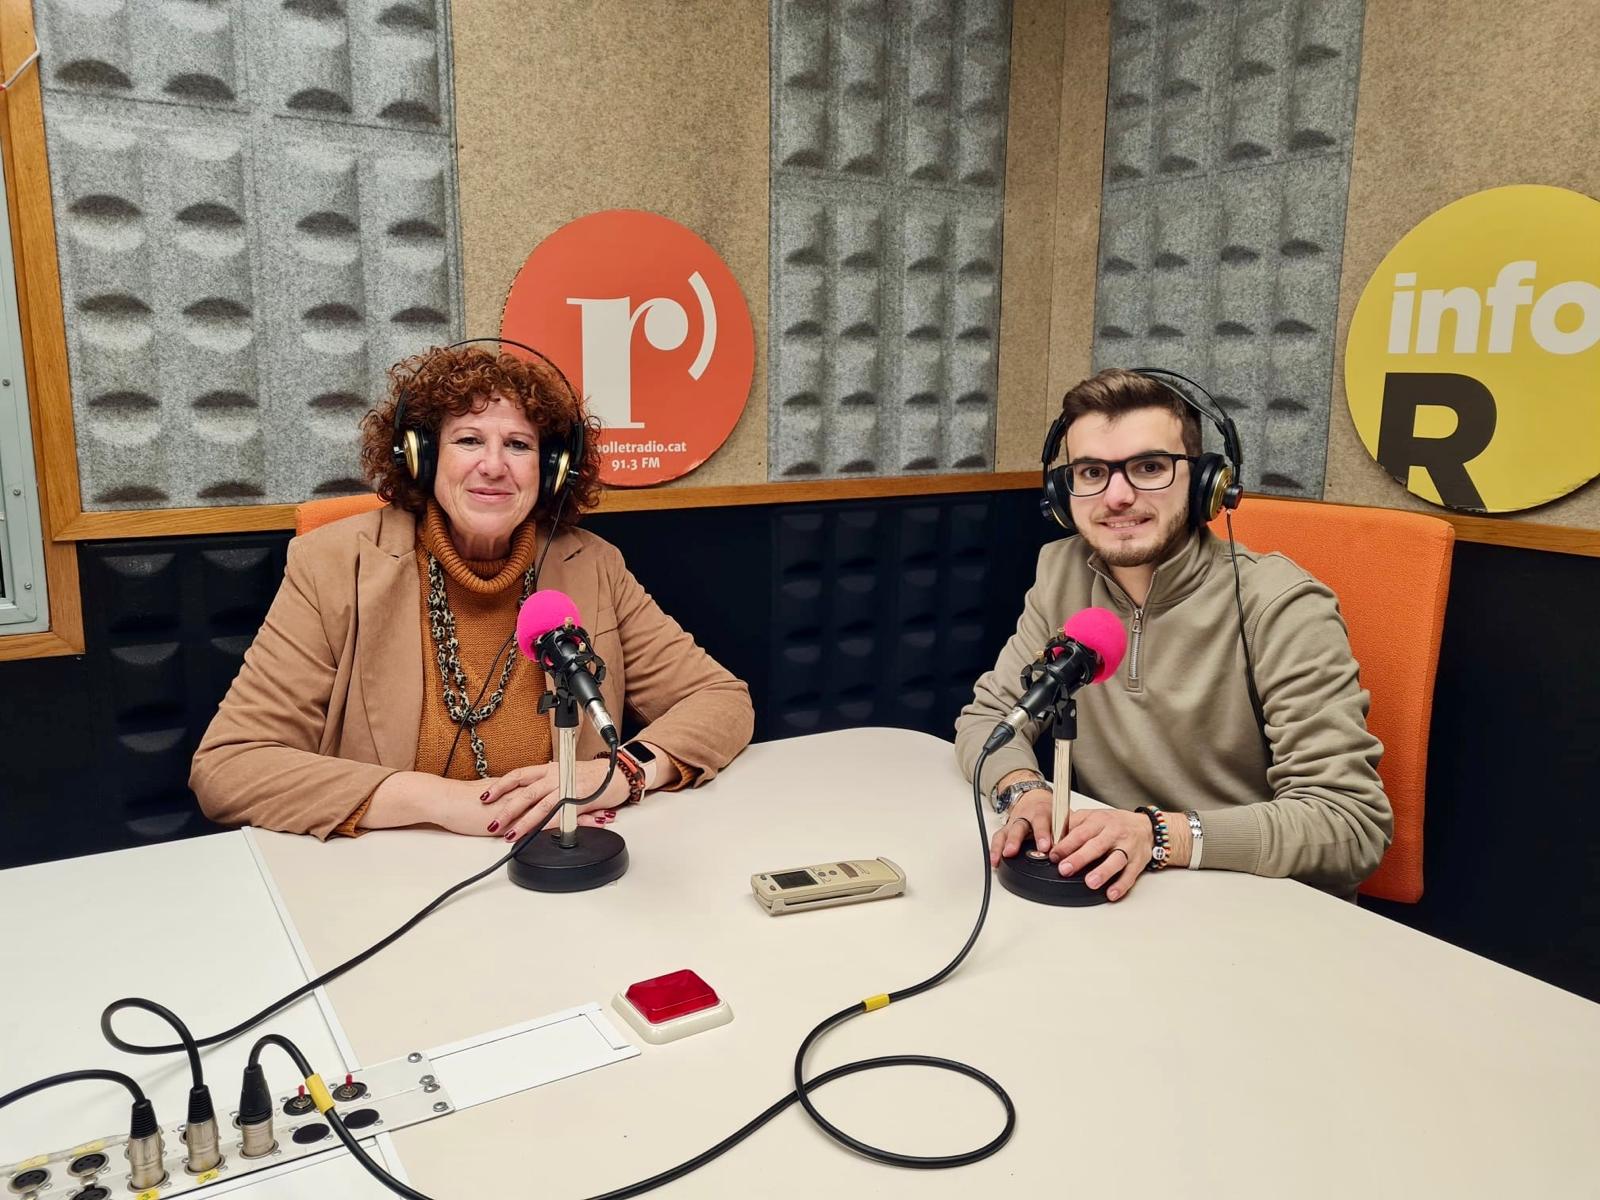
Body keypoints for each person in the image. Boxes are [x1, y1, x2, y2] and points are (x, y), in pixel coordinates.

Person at [192, 341, 754, 841]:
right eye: (468, 440)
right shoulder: (334, 566)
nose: (493, 466)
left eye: (519, 445)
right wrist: (439, 802)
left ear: (552, 469)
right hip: (393, 876)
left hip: (559, 859)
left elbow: (721, 700)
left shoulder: (592, 566)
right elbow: (229, 767)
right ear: (423, 457)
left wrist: (623, 772)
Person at [955, 368, 1391, 900]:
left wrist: (1160, 835)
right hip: (1115, 895)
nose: (1117, 496)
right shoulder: (1060, 574)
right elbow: (990, 719)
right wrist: (1025, 793)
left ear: (1207, 483)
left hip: (1252, 904)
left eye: (1149, 467)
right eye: (1091, 472)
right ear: (1062, 492)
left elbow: (1348, 823)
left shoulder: (1280, 604)